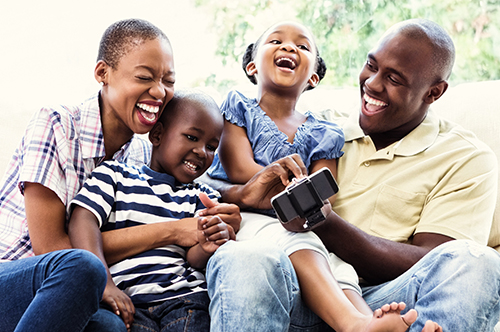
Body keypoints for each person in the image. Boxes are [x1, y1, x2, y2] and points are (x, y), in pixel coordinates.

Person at [202, 19, 500, 332]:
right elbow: (209, 176)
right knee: (246, 258)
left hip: (385, 302)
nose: (372, 84)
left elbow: (434, 261)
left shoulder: (465, 157)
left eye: (394, 79)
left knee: (479, 264)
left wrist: (324, 223)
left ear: (433, 92)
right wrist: (244, 196)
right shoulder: (325, 129)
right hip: (289, 291)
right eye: (371, 65)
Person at [0, 18, 175, 331]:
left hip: (73, 293)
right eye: (144, 77)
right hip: (14, 276)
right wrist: (105, 284)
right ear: (103, 74)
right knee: (85, 268)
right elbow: (50, 245)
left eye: (169, 81)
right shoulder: (57, 123)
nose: (160, 91)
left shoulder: (139, 155)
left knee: (112, 327)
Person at [67, 89, 240, 332]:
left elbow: (194, 258)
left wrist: (208, 245)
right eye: (192, 138)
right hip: (128, 303)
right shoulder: (114, 175)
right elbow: (82, 221)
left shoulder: (202, 196)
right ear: (157, 135)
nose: (202, 152)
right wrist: (104, 284)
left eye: (212, 146)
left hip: (185, 301)